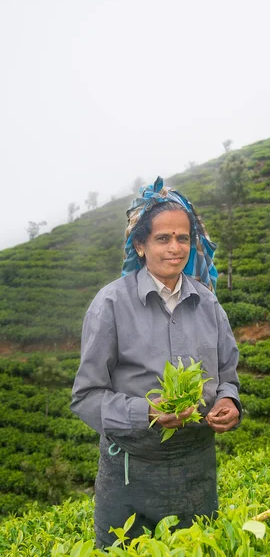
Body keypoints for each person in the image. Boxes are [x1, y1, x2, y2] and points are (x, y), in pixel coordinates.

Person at [71, 176, 241, 548]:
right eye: (163, 239)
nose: (175, 248)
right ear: (141, 245)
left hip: (197, 471)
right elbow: (86, 397)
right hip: (131, 474)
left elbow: (228, 376)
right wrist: (146, 412)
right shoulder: (111, 304)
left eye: (182, 238)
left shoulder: (208, 304)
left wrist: (229, 401)